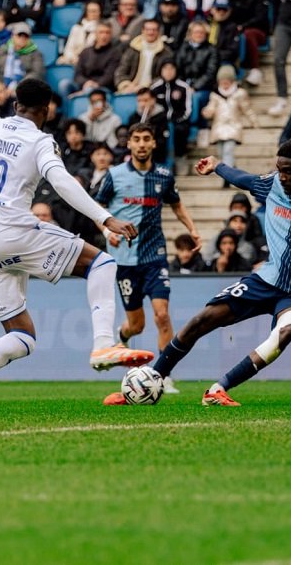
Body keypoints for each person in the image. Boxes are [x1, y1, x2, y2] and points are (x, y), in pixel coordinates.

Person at [0, 78, 148, 414]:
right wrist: (105, 218)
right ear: (46, 110)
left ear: (15, 105)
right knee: (102, 264)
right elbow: (61, 181)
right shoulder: (40, 141)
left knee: (23, 336)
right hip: (13, 232)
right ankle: (104, 345)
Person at [109, 138, 291, 406]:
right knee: (203, 319)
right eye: (279, 169)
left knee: (285, 333)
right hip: (266, 279)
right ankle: (153, 379)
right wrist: (217, 165)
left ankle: (218, 389)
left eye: (288, 171)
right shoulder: (274, 184)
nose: (281, 176)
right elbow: (244, 179)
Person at [94, 123, 200, 396]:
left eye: (146, 139)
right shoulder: (114, 175)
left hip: (155, 256)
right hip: (124, 260)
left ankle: (164, 375)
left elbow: (176, 204)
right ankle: (122, 337)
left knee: (162, 316)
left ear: (154, 143)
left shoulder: (163, 175)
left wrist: (192, 229)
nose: (141, 144)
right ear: (129, 143)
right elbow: (97, 208)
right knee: (137, 325)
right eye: (137, 139)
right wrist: (107, 231)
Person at [202, 65, 255, 167]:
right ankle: (232, 169)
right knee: (221, 153)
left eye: (227, 82)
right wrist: (207, 112)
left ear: (232, 81)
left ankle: (227, 174)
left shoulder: (239, 93)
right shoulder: (215, 95)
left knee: (228, 151)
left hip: (233, 127)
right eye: (222, 82)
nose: (224, 85)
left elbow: (247, 109)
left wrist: (253, 121)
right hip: (219, 128)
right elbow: (211, 107)